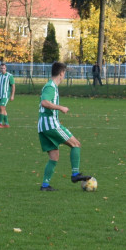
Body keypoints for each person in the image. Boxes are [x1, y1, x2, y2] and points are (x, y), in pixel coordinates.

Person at [38, 62, 92, 191]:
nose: (64, 76)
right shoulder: (50, 86)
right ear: (61, 73)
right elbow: (44, 102)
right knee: (76, 144)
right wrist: (60, 107)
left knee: (54, 156)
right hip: (50, 124)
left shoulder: (51, 86)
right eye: (64, 73)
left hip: (43, 126)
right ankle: (75, 174)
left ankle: (45, 185)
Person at [0, 62, 16, 128]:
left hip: (6, 95)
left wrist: (12, 95)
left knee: (2, 107)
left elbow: (13, 86)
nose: (2, 69)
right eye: (1, 68)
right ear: (0, 68)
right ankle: (7, 124)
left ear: (6, 68)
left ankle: (0, 123)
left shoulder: (9, 76)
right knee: (2, 109)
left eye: (4, 68)